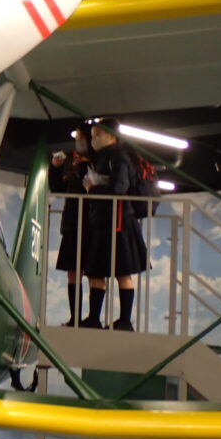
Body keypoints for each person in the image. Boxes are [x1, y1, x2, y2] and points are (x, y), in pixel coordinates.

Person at [80, 117, 148, 330]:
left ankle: (123, 321)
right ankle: (96, 318)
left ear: (111, 136)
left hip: (119, 222)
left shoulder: (119, 157)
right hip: (105, 220)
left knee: (121, 272)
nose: (94, 139)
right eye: (93, 135)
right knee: (98, 272)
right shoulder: (109, 156)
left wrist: (93, 189)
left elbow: (119, 187)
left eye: (97, 135)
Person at [49, 123, 94, 326]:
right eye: (77, 138)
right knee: (72, 272)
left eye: (81, 138)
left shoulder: (97, 161)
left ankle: (93, 318)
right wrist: (56, 167)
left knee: (93, 272)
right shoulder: (72, 161)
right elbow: (57, 187)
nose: (78, 142)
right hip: (71, 224)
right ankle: (75, 318)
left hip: (92, 223)